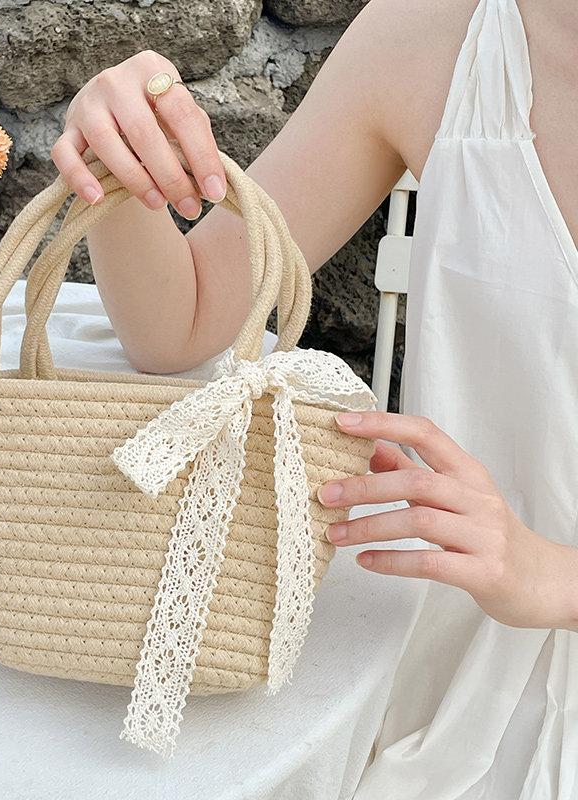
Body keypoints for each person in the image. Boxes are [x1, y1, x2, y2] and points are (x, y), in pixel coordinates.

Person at [51, 0, 578, 795]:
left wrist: (556, 577)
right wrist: (119, 150)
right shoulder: (430, 36)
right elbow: (182, 323)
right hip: (454, 690)